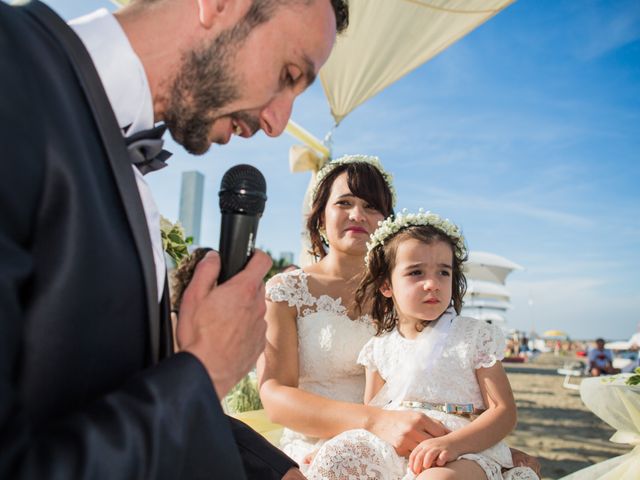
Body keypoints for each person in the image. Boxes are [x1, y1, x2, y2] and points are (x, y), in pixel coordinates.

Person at [0, 0, 346, 478]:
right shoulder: (9, 63)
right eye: (289, 74)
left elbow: (116, 402)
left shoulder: (123, 166)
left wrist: (272, 471)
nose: (278, 122)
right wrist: (205, 372)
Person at [257, 156, 540, 477]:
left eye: (371, 206)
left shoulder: (411, 292)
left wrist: (477, 443)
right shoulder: (287, 290)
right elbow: (274, 395)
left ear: (387, 222)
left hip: (417, 440)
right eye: (344, 202)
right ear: (321, 215)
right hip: (322, 443)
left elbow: (447, 378)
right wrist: (376, 422)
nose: (357, 214)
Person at [304, 210, 538, 479]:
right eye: (416, 272)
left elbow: (503, 411)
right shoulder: (378, 348)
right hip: (395, 446)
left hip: (462, 448)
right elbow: (373, 414)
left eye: (443, 272)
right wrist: (332, 445)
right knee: (335, 462)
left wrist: (451, 445)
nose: (432, 284)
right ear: (386, 286)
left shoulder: (473, 336)